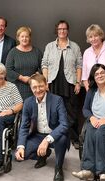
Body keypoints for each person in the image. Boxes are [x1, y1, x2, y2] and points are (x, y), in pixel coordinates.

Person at [15, 73, 69, 181]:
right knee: (20, 155)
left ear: (46, 86)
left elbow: (64, 124)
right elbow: (24, 126)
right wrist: (20, 146)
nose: (38, 90)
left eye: (40, 86)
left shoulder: (57, 100)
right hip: (38, 135)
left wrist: (47, 140)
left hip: (55, 135)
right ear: (31, 88)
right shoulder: (28, 102)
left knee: (62, 138)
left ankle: (58, 168)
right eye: (34, 87)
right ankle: (43, 155)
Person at [41, 20, 82, 148]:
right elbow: (45, 64)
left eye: (64, 29)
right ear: (57, 31)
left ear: (67, 30)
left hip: (70, 83)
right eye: (60, 29)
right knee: (54, 111)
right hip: (53, 83)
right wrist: (45, 81)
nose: (62, 31)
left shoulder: (75, 47)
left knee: (71, 111)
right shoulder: (49, 46)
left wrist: (78, 82)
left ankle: (74, 138)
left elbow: (79, 66)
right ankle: (56, 136)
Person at [6, 26, 42, 101]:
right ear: (18, 38)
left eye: (27, 36)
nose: (24, 39)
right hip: (17, 88)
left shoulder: (37, 52)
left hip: (34, 87)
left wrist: (37, 74)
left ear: (30, 38)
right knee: (20, 111)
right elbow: (8, 70)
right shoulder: (13, 52)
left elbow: (43, 66)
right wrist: (22, 78)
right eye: (22, 36)